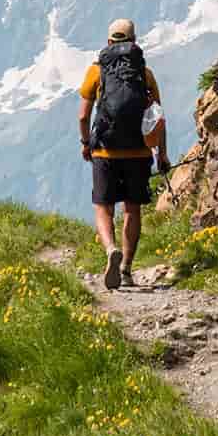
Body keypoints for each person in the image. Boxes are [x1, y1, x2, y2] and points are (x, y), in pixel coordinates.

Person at [78, 17, 169, 289]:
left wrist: (86, 143)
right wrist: (161, 154)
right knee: (132, 209)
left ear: (108, 42)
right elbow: (157, 118)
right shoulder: (145, 73)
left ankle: (110, 250)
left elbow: (83, 116)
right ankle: (127, 269)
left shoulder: (96, 72)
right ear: (134, 41)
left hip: (105, 151)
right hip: (139, 152)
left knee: (103, 206)